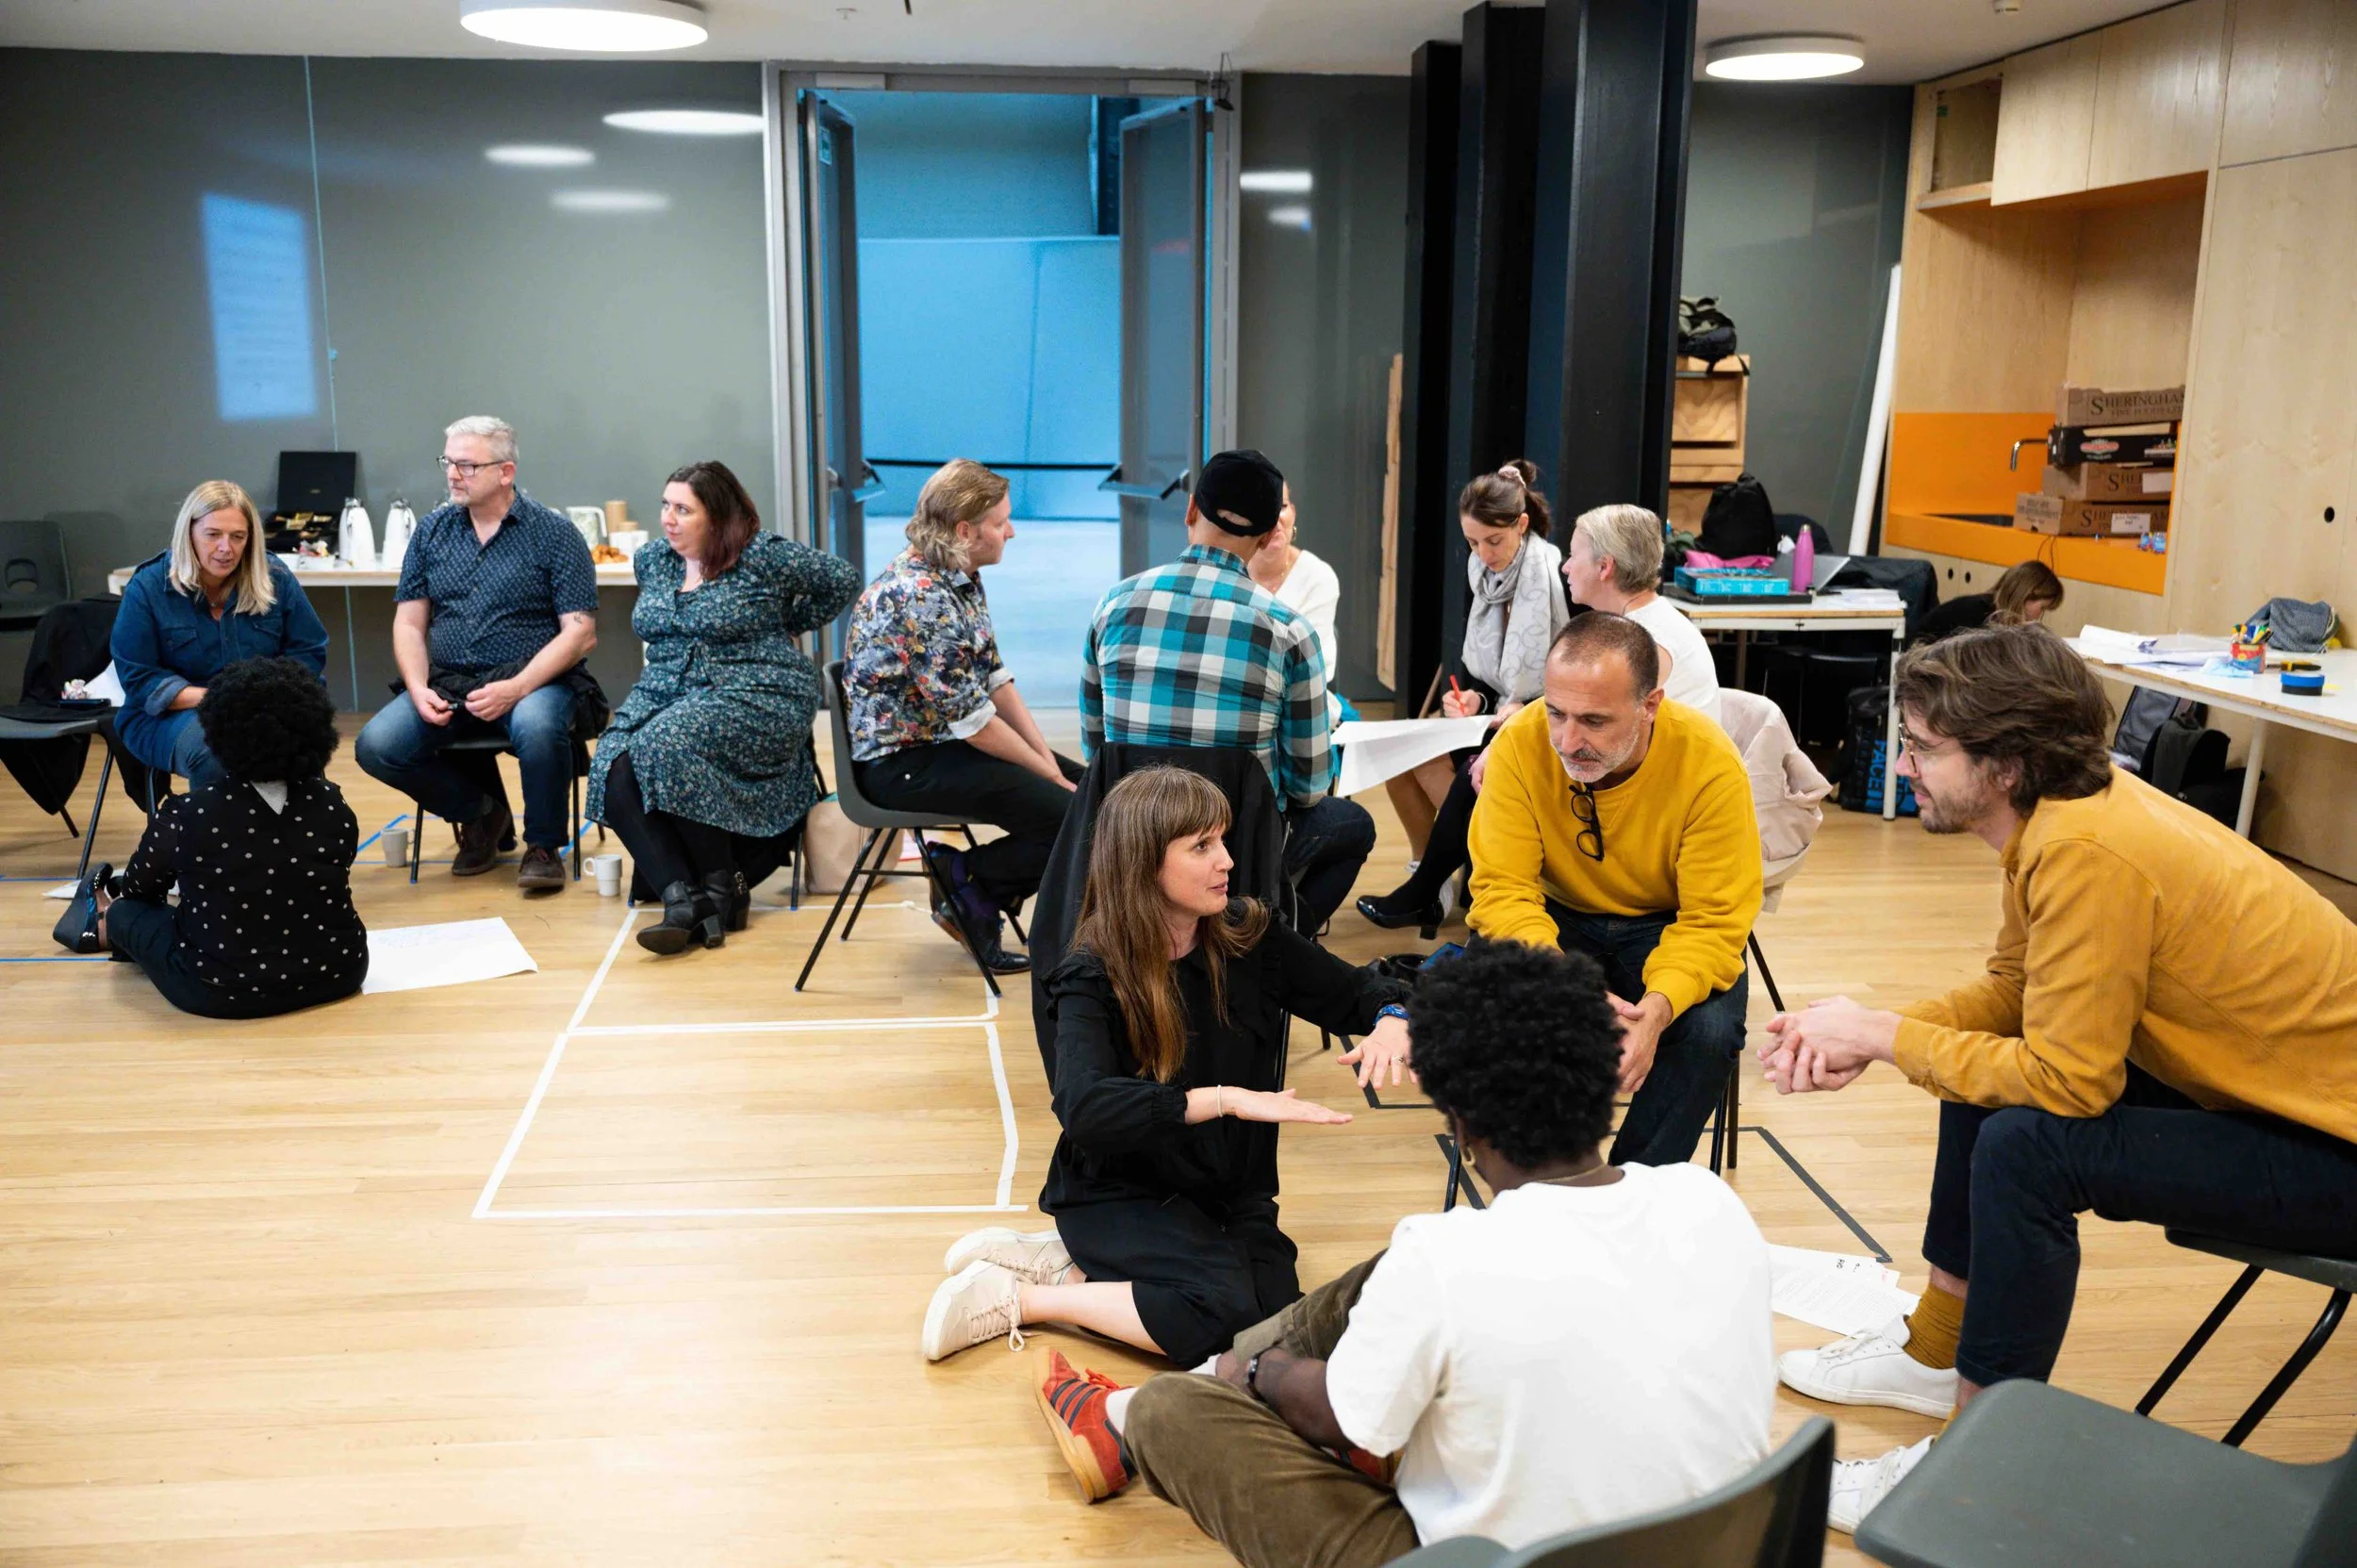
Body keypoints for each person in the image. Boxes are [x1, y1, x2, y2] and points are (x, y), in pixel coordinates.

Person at [1758, 623, 2357, 1535]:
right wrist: (1880, 1033)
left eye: (1924, 746)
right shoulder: (2056, 817)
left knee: (2027, 1144)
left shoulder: (2086, 848)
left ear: (2005, 762)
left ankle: (1972, 1469)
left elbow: (2068, 1082)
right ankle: (1938, 1350)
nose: (1905, 763)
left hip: (2335, 1148)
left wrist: (1883, 1035)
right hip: (2278, 1100)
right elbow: (2015, 990)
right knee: (1989, 1090)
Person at [1025, 938, 1775, 1568]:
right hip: (1716, 1547)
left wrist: (1254, 1370)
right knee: (1389, 1291)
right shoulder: (1710, 1204)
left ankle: (1122, 1414)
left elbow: (1348, 1425)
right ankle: (1128, 1411)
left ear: (1459, 1115)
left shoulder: (1447, 1256)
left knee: (1171, 1411)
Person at [919, 767, 1411, 1366]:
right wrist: (1224, 1099)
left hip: (1231, 1192)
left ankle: (1067, 1262)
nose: (1227, 861)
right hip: (1123, 1192)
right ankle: (1027, 1297)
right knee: (1219, 1316)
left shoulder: (1250, 936)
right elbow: (1085, 1108)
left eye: (1223, 841)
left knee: (1274, 1331)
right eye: (1202, 847)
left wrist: (1390, 1016)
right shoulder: (1091, 971)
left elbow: (1358, 989)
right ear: (1145, 863)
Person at [1464, 614, 1760, 1165]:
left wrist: (1659, 1008)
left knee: (1708, 1033)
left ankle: (1630, 1193)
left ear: (1650, 705)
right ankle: (1543, 1185)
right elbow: (1503, 891)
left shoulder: (1709, 763)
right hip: (1554, 918)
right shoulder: (1520, 745)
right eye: (1556, 713)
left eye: (1594, 721)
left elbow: (1713, 922)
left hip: (1663, 923)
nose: (1567, 740)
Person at [1080, 449, 1375, 931]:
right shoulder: (1288, 630)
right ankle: (1269, 953)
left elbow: (1098, 751)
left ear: (1192, 508)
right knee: (1354, 826)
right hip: (1237, 852)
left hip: (1127, 841)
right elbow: (1309, 784)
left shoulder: (1113, 606)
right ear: (1263, 539)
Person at [588, 461, 859, 955]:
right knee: (611, 763)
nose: (668, 518)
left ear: (717, 517)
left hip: (757, 685)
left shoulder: (760, 554)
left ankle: (720, 886)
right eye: (666, 505)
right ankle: (684, 898)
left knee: (664, 744)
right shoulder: (653, 560)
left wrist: (785, 622)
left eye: (683, 509)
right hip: (667, 688)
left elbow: (841, 579)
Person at [844, 459, 1080, 976]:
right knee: (1077, 815)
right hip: (900, 764)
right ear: (965, 530)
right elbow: (973, 721)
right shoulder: (918, 596)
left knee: (1094, 792)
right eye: (1001, 523)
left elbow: (995, 677)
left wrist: (1047, 760)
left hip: (942, 744)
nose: (1011, 532)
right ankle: (972, 883)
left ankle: (967, 878)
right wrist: (1048, 776)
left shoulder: (960, 576)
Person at [354, 416, 599, 893]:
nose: (452, 474)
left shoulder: (553, 534)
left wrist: (518, 687)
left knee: (537, 724)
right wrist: (418, 686)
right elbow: (409, 621)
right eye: (449, 461)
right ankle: (483, 814)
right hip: (448, 680)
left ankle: (543, 847)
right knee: (376, 746)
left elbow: (581, 632)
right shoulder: (432, 532)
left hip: (534, 680)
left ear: (505, 472)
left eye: (467, 464)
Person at [87, 656, 367, 1017]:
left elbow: (141, 890)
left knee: (126, 912)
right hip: (339, 973)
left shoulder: (189, 812)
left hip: (223, 991)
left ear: (217, 731)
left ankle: (104, 924)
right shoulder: (332, 802)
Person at [1359, 460, 1569, 935]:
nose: (1483, 553)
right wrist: (1475, 699)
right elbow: (1493, 678)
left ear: (1521, 525)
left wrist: (1522, 708)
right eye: (1472, 542)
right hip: (1501, 719)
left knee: (1460, 772)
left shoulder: (1552, 577)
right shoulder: (1487, 576)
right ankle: (1433, 878)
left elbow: (1571, 676)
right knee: (1402, 755)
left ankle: (1446, 881)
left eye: (1493, 541)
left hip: (1552, 725)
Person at [109, 480, 331, 788]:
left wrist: (272, 700)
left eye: (238, 537)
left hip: (265, 708)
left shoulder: (274, 577)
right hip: (170, 716)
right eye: (213, 535)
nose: (226, 548)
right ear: (189, 534)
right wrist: (226, 700)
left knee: (296, 747)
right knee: (219, 754)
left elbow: (308, 651)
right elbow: (139, 678)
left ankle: (282, 835)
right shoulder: (148, 586)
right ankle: (222, 836)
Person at [1559, 503, 1721, 726]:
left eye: (1573, 555)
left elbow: (1602, 731)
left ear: (1605, 567)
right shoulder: (1652, 619)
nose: (1566, 567)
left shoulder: (1646, 640)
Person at [1244, 482, 1345, 714]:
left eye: (1282, 506)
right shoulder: (1229, 571)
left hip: (1297, 702)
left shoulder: (1318, 577)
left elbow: (1315, 671)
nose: (1275, 518)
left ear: (1293, 513)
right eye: (1264, 508)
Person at [1913, 560, 2065, 643]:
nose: (2040, 615)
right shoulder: (1981, 616)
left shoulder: (1989, 608)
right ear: (2027, 596)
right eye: (2042, 608)